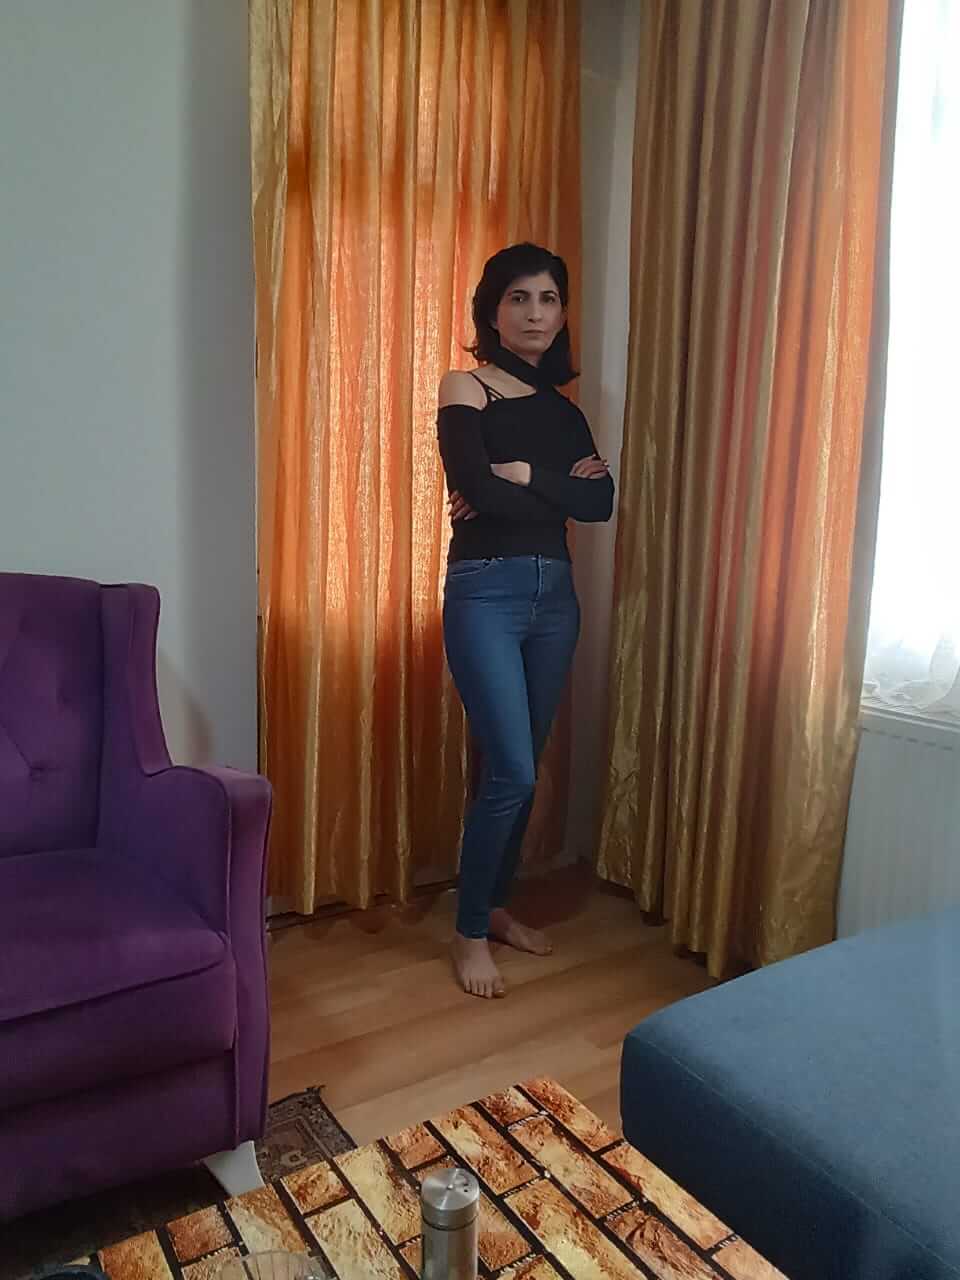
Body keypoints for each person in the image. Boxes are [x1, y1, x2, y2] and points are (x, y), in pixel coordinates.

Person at [437, 242, 615, 999]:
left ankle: (495, 905)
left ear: (562, 313)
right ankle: (469, 931)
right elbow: (473, 487)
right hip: (485, 591)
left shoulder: (567, 414)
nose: (534, 312)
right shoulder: (467, 386)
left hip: (555, 600)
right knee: (510, 768)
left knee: (522, 768)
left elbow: (601, 503)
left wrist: (523, 475)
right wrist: (546, 490)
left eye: (547, 298)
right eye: (518, 298)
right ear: (494, 310)